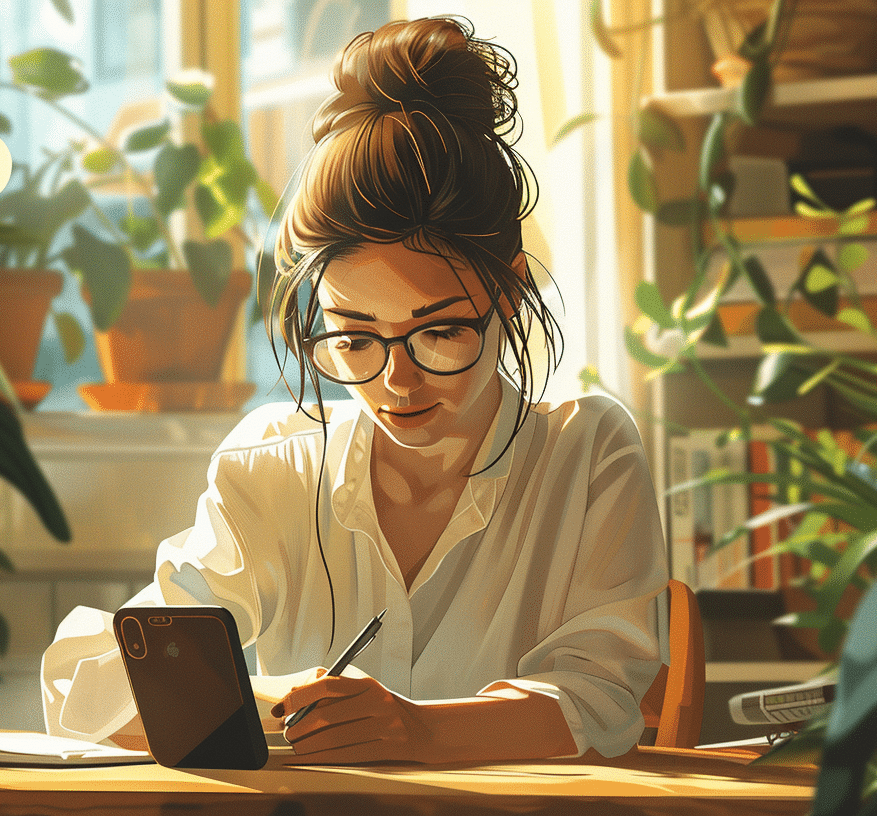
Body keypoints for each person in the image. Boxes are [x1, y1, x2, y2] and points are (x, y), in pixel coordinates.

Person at [41, 15, 667, 764]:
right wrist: (282, 708)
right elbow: (91, 681)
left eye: (438, 333)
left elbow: (600, 700)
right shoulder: (274, 465)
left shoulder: (587, 454)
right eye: (354, 339)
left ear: (509, 291)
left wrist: (420, 730)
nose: (395, 381)